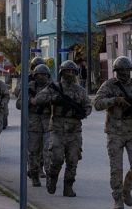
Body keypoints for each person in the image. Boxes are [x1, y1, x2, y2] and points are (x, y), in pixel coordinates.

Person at [93, 56, 132, 209]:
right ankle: (118, 198)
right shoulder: (110, 85)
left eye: (127, 70)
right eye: (121, 70)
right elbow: (97, 104)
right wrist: (115, 100)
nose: (124, 73)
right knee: (116, 169)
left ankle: (127, 190)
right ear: (116, 72)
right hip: (115, 133)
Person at [34, 60, 91, 197]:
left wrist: (83, 113)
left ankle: (68, 186)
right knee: (57, 159)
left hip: (75, 131)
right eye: (67, 71)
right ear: (62, 72)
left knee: (73, 160)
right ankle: (52, 179)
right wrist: (54, 99)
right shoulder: (54, 87)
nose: (70, 74)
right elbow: (39, 98)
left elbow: (88, 106)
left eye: (72, 71)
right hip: (57, 129)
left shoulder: (81, 91)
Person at [14, 62, 52, 186]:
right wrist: (30, 101)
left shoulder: (53, 88)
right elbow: (19, 104)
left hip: (48, 125)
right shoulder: (29, 87)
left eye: (44, 75)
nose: (41, 77)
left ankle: (50, 176)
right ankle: (34, 175)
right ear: (35, 76)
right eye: (39, 75)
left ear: (48, 76)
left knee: (48, 152)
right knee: (33, 152)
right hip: (33, 125)